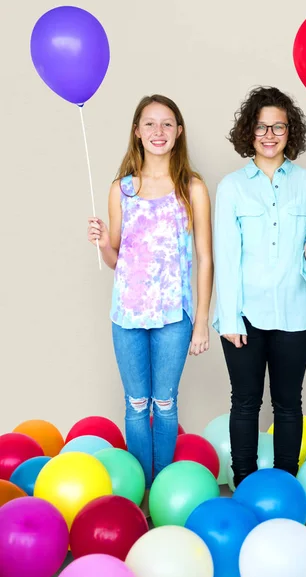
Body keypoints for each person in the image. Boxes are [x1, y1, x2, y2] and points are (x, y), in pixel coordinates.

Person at [87, 94, 213, 513]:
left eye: (167, 124)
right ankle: (141, 496)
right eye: (150, 124)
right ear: (137, 132)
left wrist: (200, 322)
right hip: (127, 314)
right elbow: (115, 259)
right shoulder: (120, 189)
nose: (158, 132)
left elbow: (205, 257)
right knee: (136, 405)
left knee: (165, 402)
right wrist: (105, 243)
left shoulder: (191, 187)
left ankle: (163, 492)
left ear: (178, 133)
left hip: (173, 315)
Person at [212, 86, 306, 488]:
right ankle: (243, 482)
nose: (269, 134)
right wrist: (229, 317)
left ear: (289, 131)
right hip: (244, 315)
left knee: (288, 403)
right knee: (244, 403)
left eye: (278, 126)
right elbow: (225, 258)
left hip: (297, 313)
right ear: (249, 132)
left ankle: (286, 483)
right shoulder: (232, 188)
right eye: (261, 127)